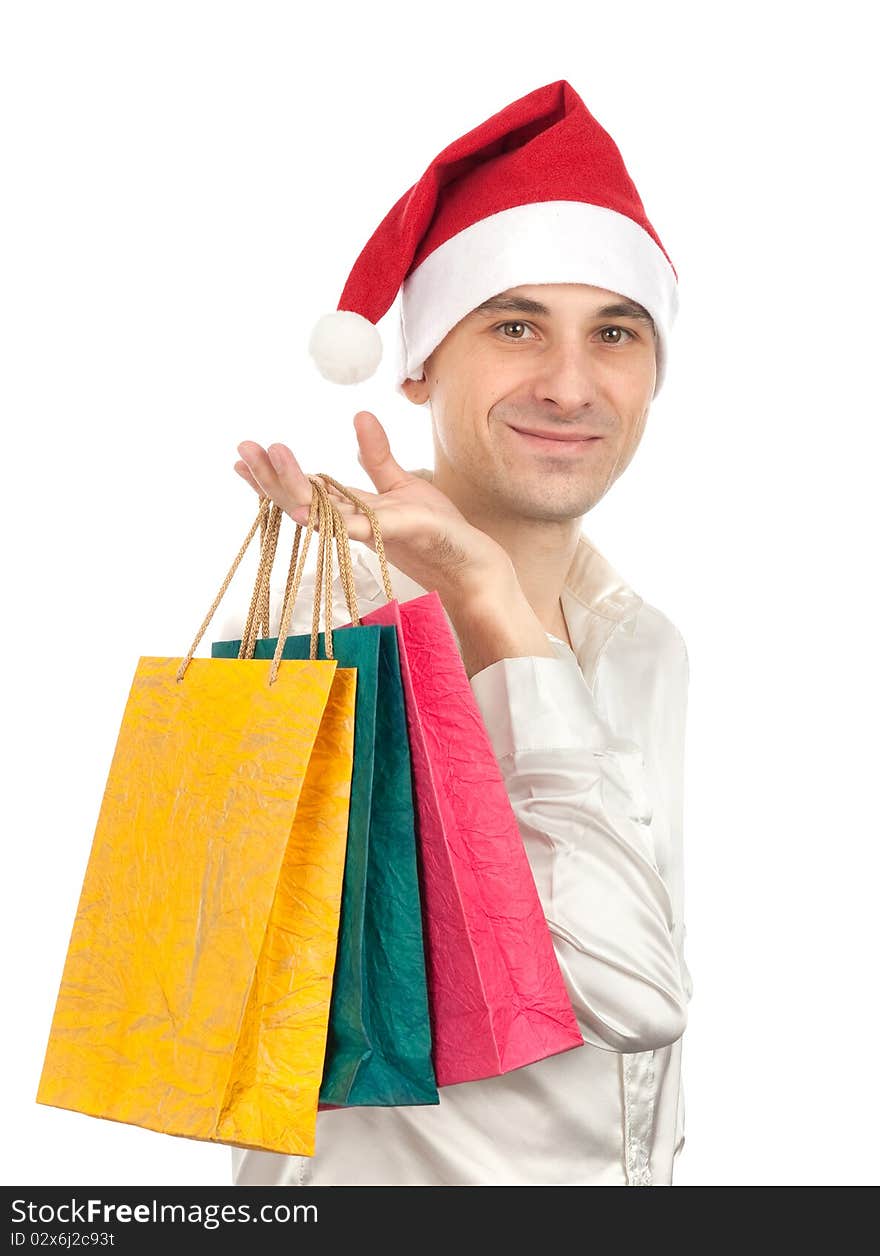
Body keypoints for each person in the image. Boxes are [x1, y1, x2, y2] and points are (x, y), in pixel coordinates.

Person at [216, 78, 694, 1187]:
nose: (569, 385)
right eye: (515, 324)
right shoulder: (323, 634)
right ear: (422, 361)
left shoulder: (648, 642)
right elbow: (632, 993)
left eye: (614, 332)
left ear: (654, 370)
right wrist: (485, 601)